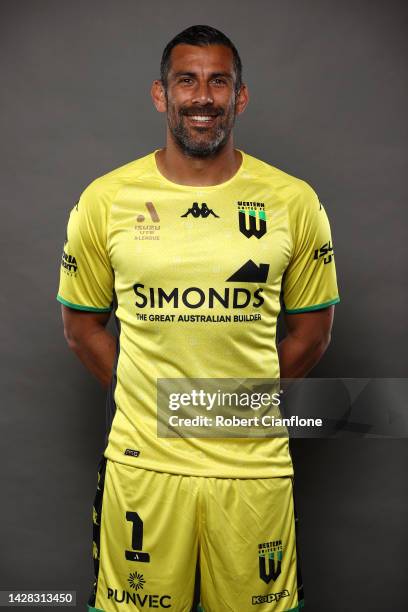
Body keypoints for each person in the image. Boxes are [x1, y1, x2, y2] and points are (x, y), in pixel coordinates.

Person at [57, 25, 339, 612]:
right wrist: (153, 400)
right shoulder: (107, 200)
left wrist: (228, 401)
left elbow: (312, 335)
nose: (203, 97)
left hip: (253, 469)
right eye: (187, 80)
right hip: (144, 468)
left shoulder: (292, 201)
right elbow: (82, 328)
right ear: (162, 95)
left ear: (240, 97)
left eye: (219, 82)